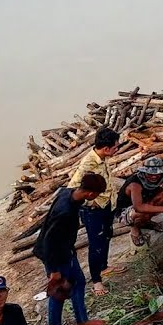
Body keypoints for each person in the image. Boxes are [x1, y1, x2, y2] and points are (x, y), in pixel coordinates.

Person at [32, 172, 108, 325]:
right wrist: (53, 270)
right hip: (55, 254)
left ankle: (82, 321)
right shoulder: (65, 211)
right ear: (90, 193)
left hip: (65, 249)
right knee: (59, 288)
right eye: (96, 195)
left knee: (78, 282)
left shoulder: (69, 193)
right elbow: (49, 241)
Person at [66, 127, 125, 297]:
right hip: (93, 209)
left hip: (106, 204)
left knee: (107, 235)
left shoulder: (102, 158)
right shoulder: (88, 164)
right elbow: (74, 189)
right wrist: (90, 203)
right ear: (106, 148)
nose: (117, 150)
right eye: (115, 147)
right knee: (96, 244)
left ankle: (104, 267)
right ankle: (96, 281)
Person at [115, 157, 163, 246]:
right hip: (128, 211)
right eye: (150, 174)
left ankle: (146, 222)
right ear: (144, 172)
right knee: (140, 213)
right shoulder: (135, 184)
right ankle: (135, 228)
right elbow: (139, 207)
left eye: (156, 174)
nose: (154, 176)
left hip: (145, 201)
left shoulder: (159, 178)